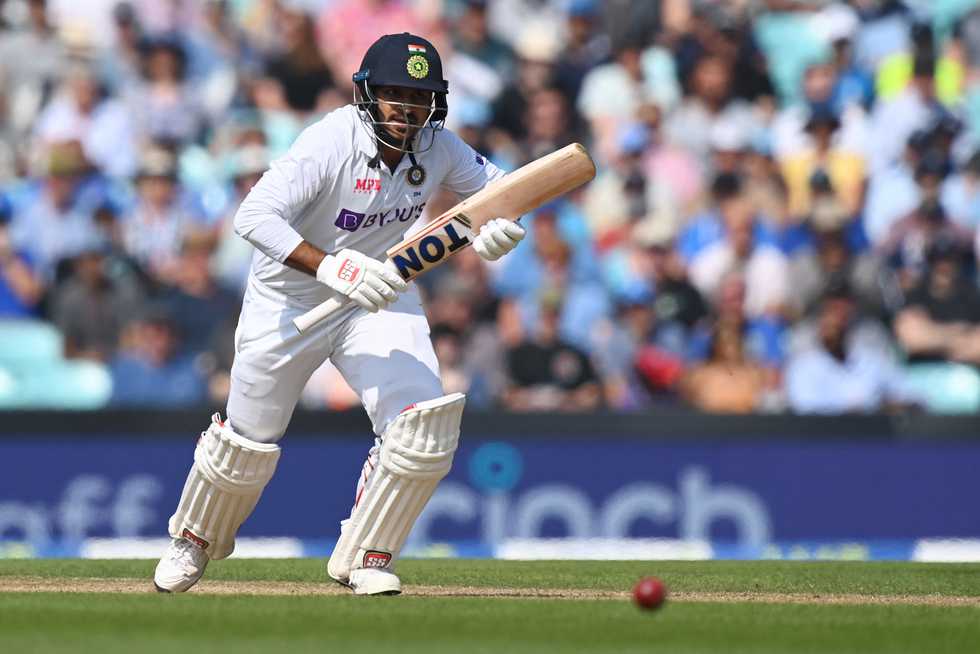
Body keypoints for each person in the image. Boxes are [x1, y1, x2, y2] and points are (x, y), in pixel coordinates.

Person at [153, 33, 526, 596]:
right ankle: (194, 540)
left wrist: (499, 229)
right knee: (247, 443)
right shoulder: (329, 141)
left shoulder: (440, 147)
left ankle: (367, 557)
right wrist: (329, 267)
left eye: (419, 96)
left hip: (379, 294)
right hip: (289, 298)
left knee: (423, 424)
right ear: (368, 95)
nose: (407, 108)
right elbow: (253, 216)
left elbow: (503, 191)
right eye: (395, 94)